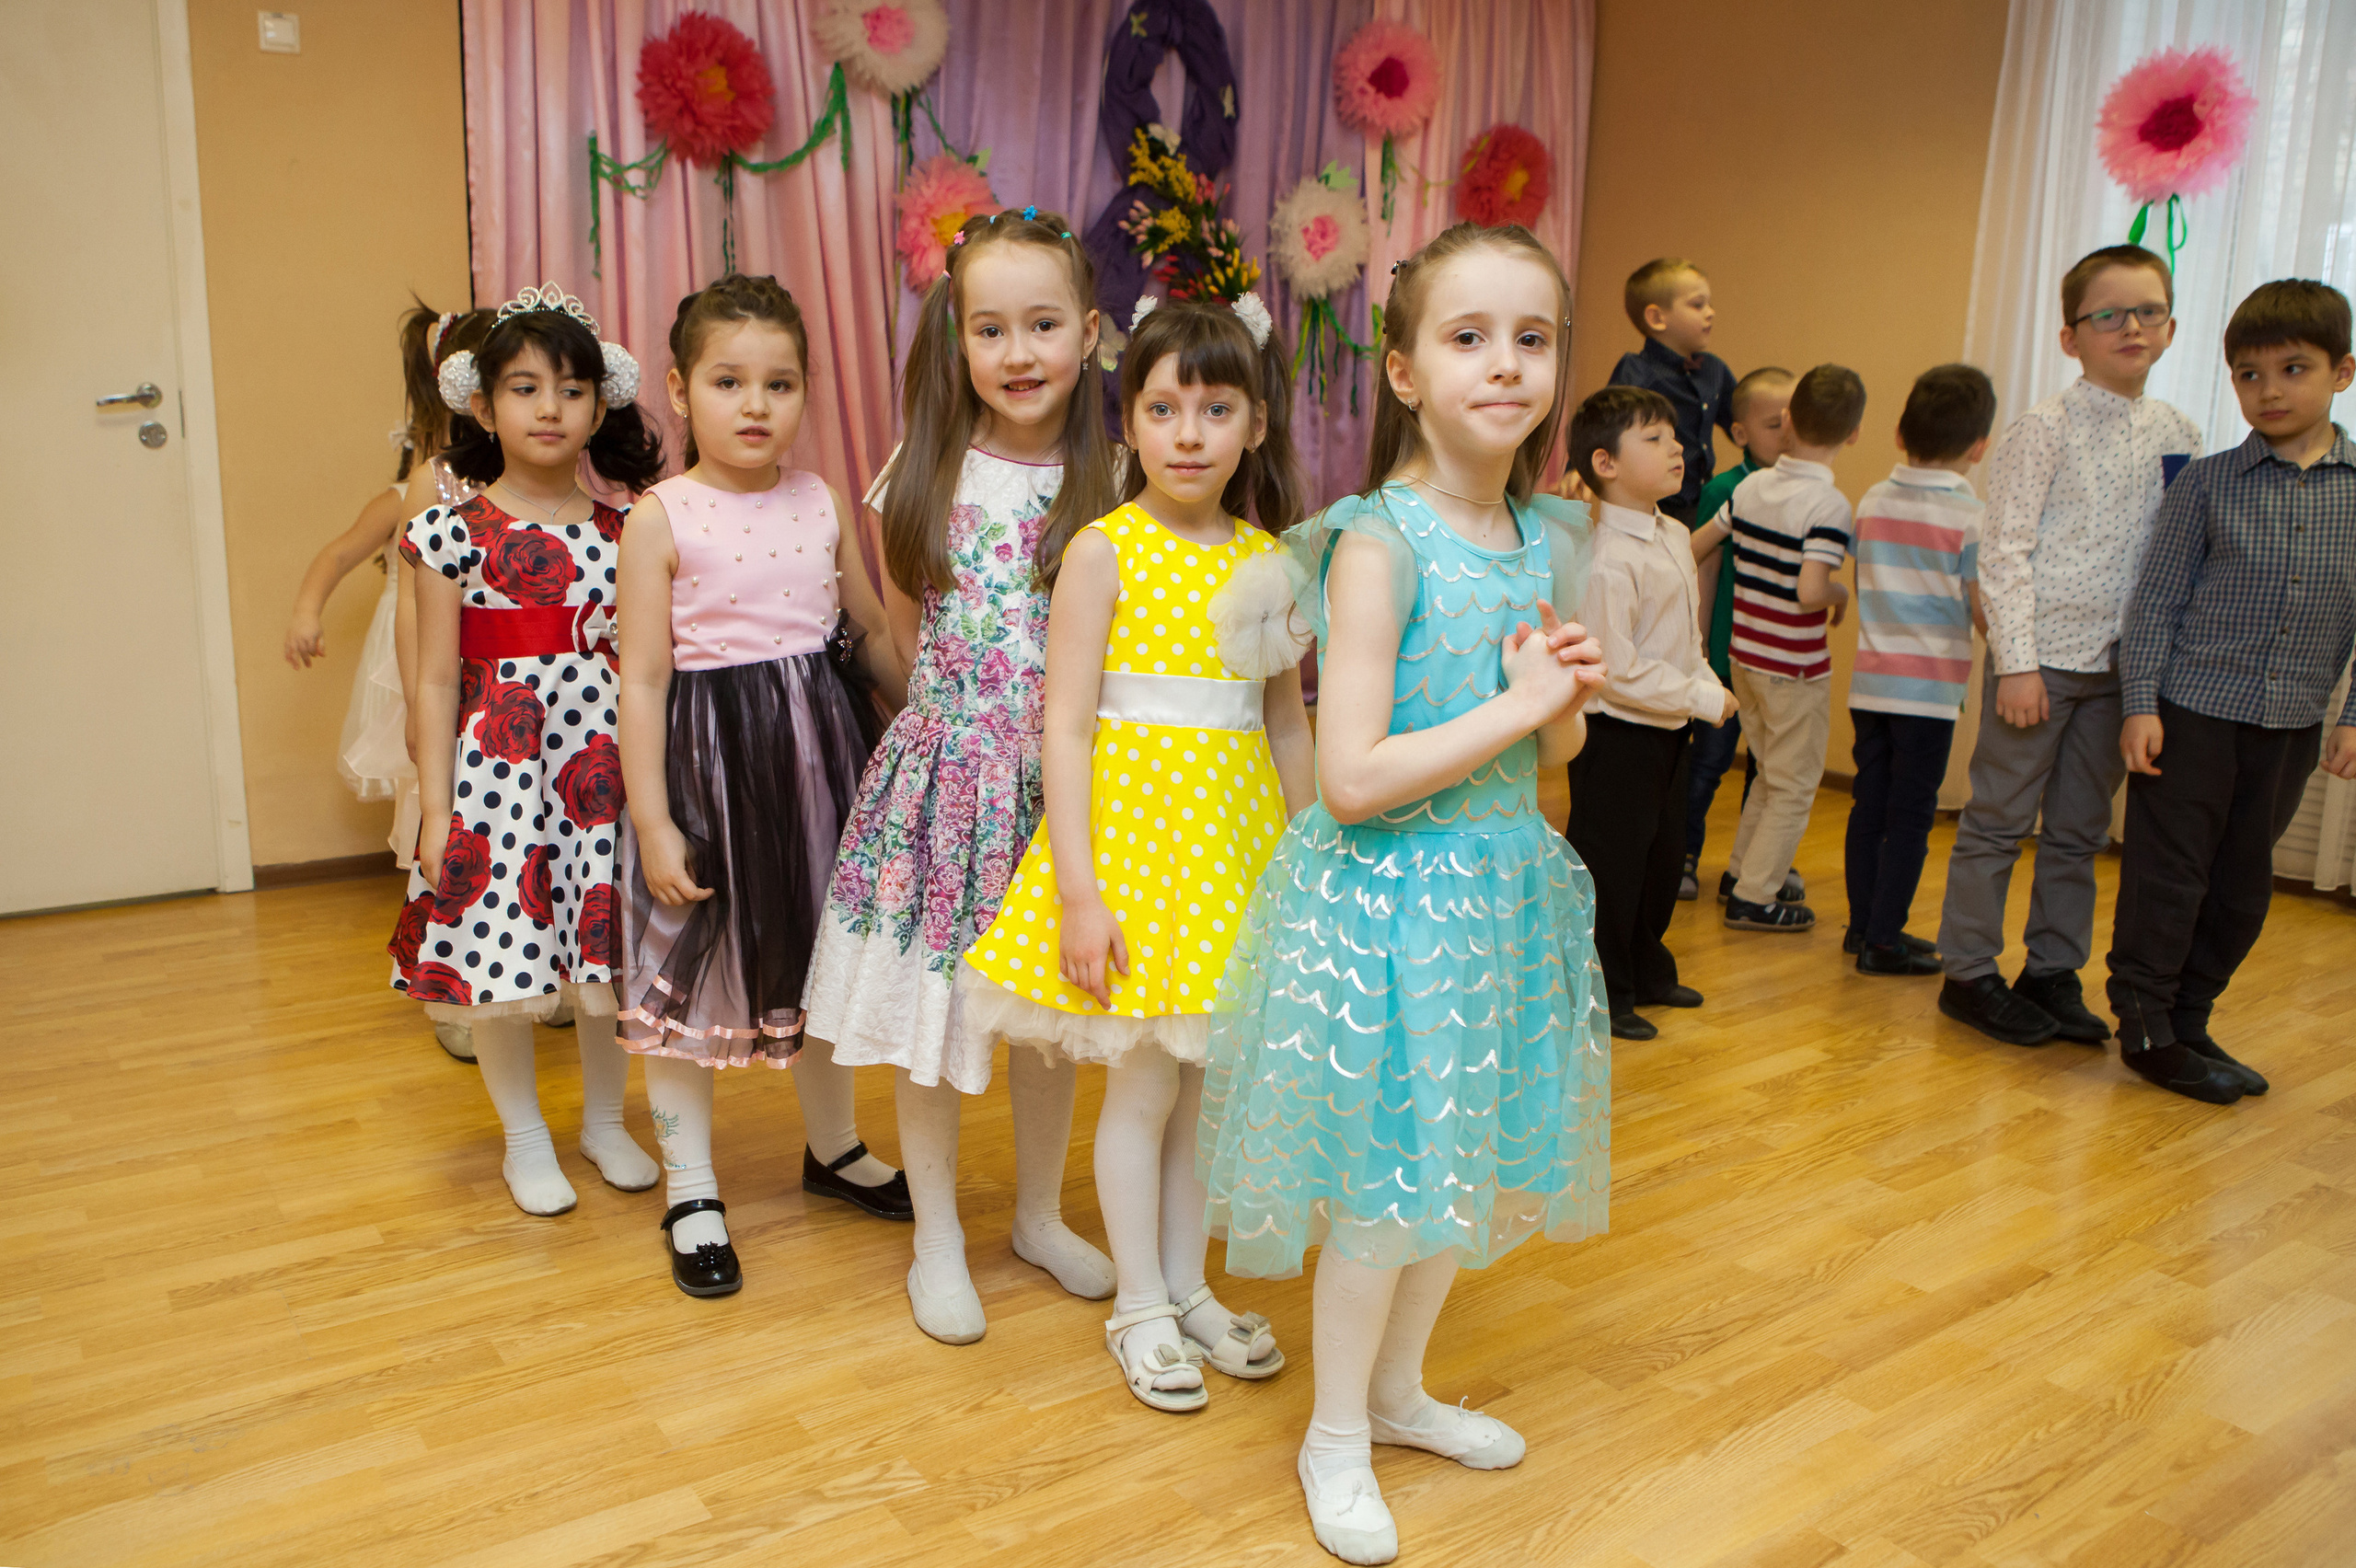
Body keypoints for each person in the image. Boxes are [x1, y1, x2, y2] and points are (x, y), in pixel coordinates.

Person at [1200, 223, 1611, 1567]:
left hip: (1497, 896)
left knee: (1467, 1163)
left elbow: (1556, 751)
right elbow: (1353, 777)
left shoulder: (1547, 536)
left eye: (1532, 337)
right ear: (1405, 371)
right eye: (1468, 336)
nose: (1505, 364)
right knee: (1387, 1180)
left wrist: (1562, 701)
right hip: (1387, 904)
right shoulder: (1377, 544)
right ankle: (1334, 1436)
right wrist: (1520, 703)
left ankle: (1400, 1392)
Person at [959, 295, 1315, 1411]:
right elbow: (1062, 725)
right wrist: (1076, 892)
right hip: (1133, 858)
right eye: (1163, 408)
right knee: (1143, 1088)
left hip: (1238, 852)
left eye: (1216, 408)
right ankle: (1139, 1307)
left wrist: (1311, 866)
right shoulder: (1103, 553)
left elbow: (1287, 721)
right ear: (1129, 424)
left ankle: (1185, 1287)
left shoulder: (1272, 560)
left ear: (1255, 425)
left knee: (1207, 1091)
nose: (1189, 433)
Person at [803, 209, 1119, 1343]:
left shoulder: (1118, 483)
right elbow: (899, 639)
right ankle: (937, 1233)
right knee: (926, 1019)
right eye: (992, 329)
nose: (1019, 352)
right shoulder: (919, 472)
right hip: (943, 787)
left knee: (1045, 1022)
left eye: (1043, 325)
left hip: (1064, 800)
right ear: (959, 342)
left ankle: (1037, 1214)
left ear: (1090, 336)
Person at [613, 275, 913, 1298]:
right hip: (707, 773)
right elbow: (644, 678)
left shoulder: (822, 499)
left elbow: (864, 629)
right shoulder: (659, 518)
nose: (754, 404)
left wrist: (930, 717)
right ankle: (690, 1185)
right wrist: (653, 819)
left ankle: (831, 1149)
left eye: (779, 383)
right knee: (689, 973)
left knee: (819, 962)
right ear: (677, 389)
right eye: (728, 381)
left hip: (821, 763)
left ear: (805, 392)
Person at [389, 282, 668, 1216]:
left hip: (601, 768)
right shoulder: (446, 530)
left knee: (600, 954)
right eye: (524, 388)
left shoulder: (631, 528)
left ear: (602, 404)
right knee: (503, 956)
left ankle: (603, 1121)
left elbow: (650, 666)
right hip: (497, 773)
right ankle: (524, 1139)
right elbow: (432, 678)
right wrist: (436, 810)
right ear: (482, 405)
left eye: (571, 389)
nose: (550, 408)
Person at [1934, 245, 2200, 1047]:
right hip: (2039, 662)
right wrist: (2015, 663)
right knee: (1996, 822)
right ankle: (1969, 973)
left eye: (2147, 312)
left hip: (2119, 668)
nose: (2130, 327)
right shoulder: (2041, 430)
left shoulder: (2180, 433)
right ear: (2070, 337)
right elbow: (2004, 549)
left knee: (2081, 831)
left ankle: (2052, 970)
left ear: (2170, 327)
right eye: (2108, 315)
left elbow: (2172, 556)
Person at [2107, 279, 2356, 1102]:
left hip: (2288, 723)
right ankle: (2144, 1027)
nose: (2270, 390)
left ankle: (2190, 1016)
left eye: (2293, 369)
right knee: (2167, 873)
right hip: (2191, 714)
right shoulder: (2208, 484)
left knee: (2243, 883)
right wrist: (2141, 703)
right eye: (2249, 375)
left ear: (2342, 373)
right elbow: (2156, 603)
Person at [285, 305, 494, 869]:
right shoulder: (414, 492)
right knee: (430, 769)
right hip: (420, 649)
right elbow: (340, 553)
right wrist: (307, 612)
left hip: (479, 651)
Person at [1564, 386, 1734, 1041]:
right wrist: (1703, 697)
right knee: (1613, 866)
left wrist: (1705, 683)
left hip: (1669, 728)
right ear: (1606, 464)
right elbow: (1617, 668)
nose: (1679, 448)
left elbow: (1682, 640)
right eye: (1656, 439)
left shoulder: (1670, 532)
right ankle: (1605, 991)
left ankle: (1649, 968)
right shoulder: (1608, 556)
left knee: (1664, 855)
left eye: (1674, 436)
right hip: (1617, 733)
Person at [1842, 365, 1996, 974]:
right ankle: (1885, 940)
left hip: (1871, 681)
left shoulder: (1873, 499)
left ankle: (1863, 929)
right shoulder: (1972, 517)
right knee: (1911, 816)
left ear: (1902, 433)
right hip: (1929, 693)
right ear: (1979, 446)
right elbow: (1979, 607)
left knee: (1867, 806)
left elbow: (1863, 582)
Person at [1717, 364, 1865, 931]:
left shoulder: (1752, 485)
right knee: (1795, 785)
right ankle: (1754, 897)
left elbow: (1705, 538)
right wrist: (1839, 593)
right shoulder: (1829, 507)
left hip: (1744, 656)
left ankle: (1743, 873)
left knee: (1769, 775)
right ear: (1853, 434)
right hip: (1792, 667)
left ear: (1790, 422)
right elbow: (1810, 591)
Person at [1681, 366, 1795, 900]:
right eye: (1776, 424)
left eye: (1797, 422)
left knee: (1770, 770)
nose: (1789, 434)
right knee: (1707, 764)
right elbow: (1702, 567)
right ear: (1742, 433)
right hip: (1728, 655)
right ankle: (1682, 855)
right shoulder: (1726, 490)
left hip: (1780, 662)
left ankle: (1749, 867)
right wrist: (1700, 646)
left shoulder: (1805, 493)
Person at [1607, 258, 1735, 526]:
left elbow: (1741, 424)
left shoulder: (1714, 369)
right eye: (1698, 305)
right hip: (1652, 508)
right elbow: (1604, 424)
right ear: (1656, 318)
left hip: (1703, 504)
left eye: (1709, 304)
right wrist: (1577, 472)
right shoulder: (1636, 370)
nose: (1710, 312)